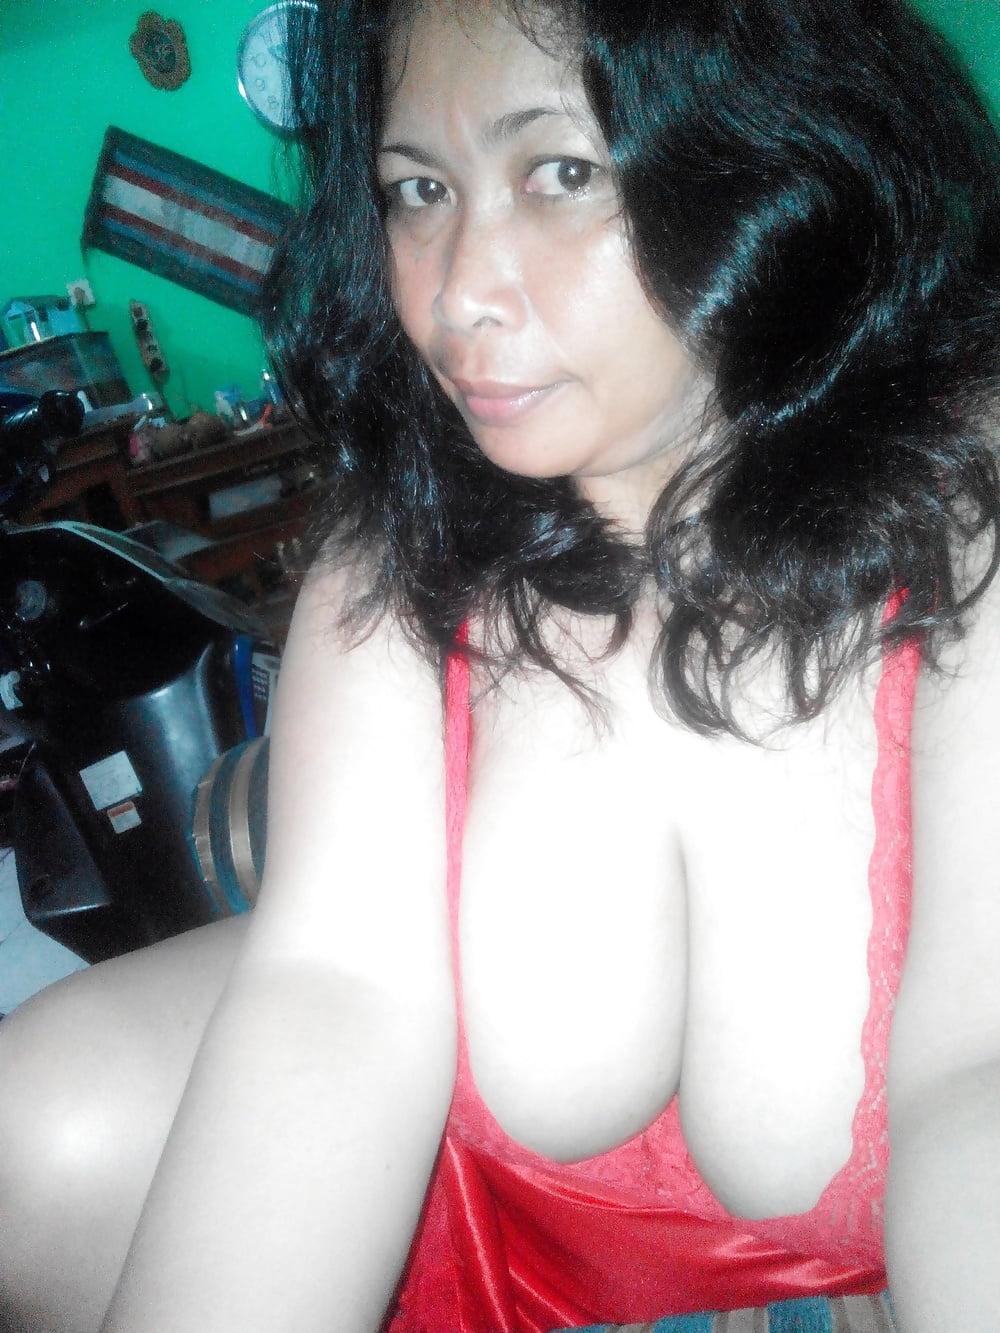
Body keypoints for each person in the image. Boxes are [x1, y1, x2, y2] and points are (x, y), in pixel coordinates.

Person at [2, 0, 1000, 1328]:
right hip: (474, 1230)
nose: (459, 289)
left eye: (562, 172)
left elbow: (976, 1087)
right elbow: (332, 995)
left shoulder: (964, 515)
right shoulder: (405, 543)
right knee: (32, 1125)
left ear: (771, 147)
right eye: (418, 189)